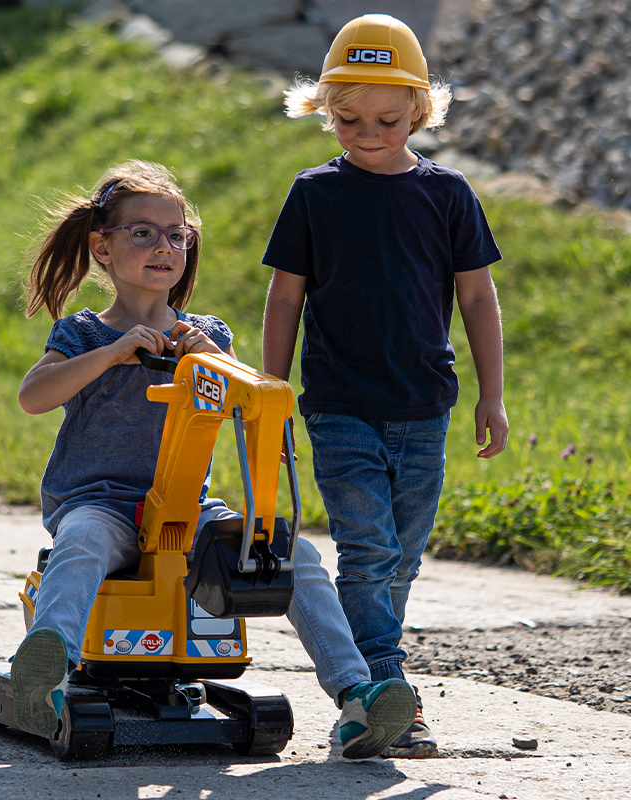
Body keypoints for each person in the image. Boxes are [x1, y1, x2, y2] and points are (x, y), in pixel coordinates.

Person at [10, 159, 418, 759]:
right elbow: (34, 395)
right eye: (143, 233)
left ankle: (357, 695)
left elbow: (252, 402)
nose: (163, 247)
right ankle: (48, 666)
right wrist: (116, 353)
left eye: (176, 235)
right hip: (100, 503)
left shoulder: (208, 335)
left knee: (295, 556)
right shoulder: (84, 335)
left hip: (188, 509)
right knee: (82, 544)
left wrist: (218, 363)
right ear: (102, 247)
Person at [261, 15, 509, 759]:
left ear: (420, 111)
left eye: (387, 120)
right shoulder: (315, 193)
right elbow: (285, 297)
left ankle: (369, 702)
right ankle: (385, 684)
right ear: (323, 110)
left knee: (401, 556)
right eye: (348, 120)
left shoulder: (448, 193)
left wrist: (491, 395)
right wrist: (271, 392)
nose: (367, 134)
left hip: (424, 406)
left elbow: (477, 297)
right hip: (339, 405)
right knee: (366, 550)